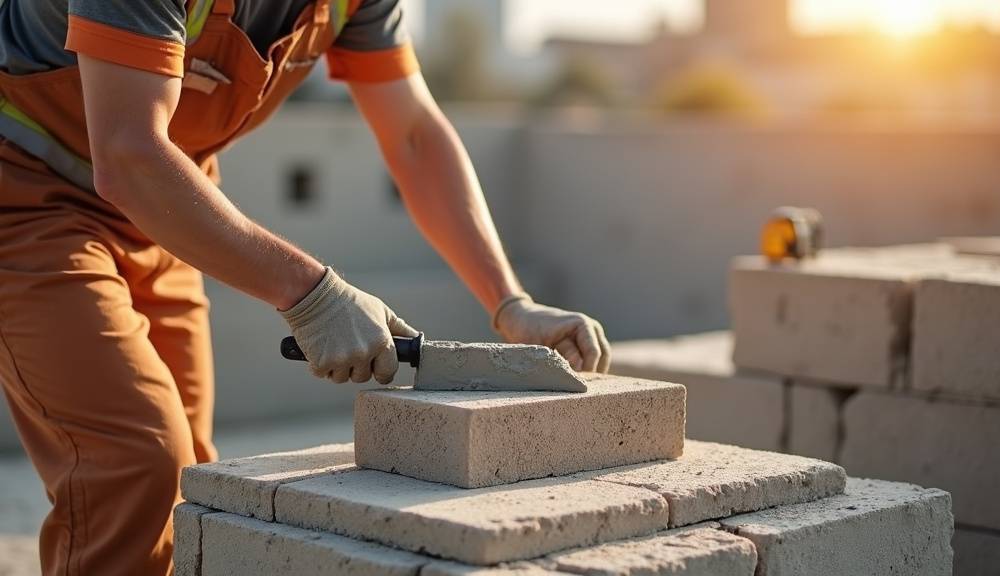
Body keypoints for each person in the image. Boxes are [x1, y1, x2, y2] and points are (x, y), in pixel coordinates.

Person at [0, 1, 611, 574]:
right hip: (26, 195)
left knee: (189, 481)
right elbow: (129, 153)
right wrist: (313, 294)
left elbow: (415, 137)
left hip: (162, 210)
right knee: (136, 466)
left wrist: (510, 303)